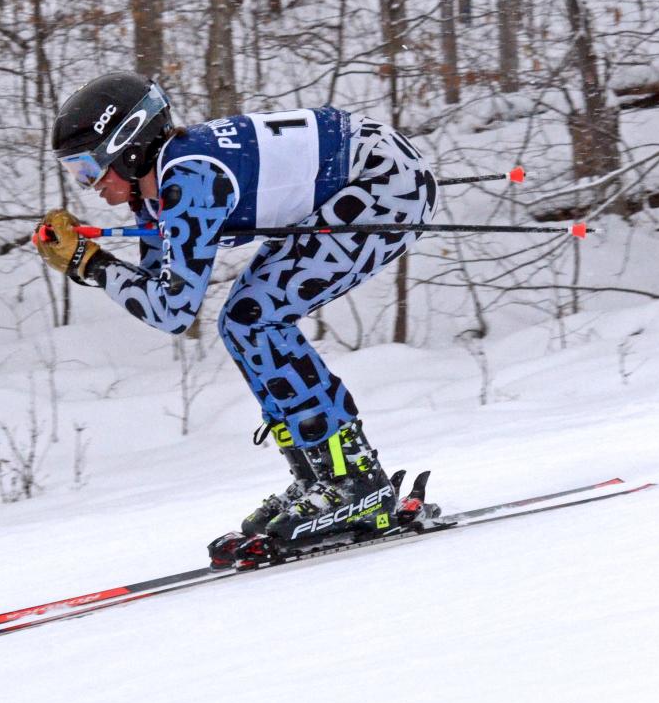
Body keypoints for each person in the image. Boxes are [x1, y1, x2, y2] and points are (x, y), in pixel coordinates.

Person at [33, 71, 439, 562]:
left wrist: (89, 264)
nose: (89, 185)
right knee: (243, 321)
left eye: (89, 167)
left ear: (129, 146)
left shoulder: (189, 179)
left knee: (256, 318)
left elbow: (172, 309)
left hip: (384, 185)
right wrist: (93, 262)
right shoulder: (155, 186)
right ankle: (320, 475)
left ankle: (354, 482)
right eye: (76, 172)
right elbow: (158, 283)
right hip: (360, 166)